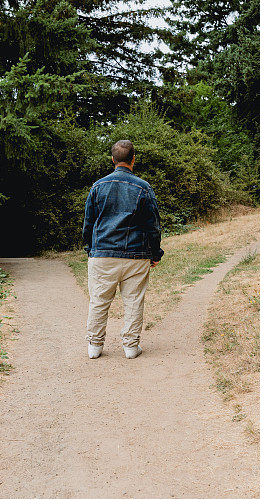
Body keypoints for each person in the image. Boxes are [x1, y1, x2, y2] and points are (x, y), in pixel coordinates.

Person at [82, 139, 164, 359]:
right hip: (136, 256)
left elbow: (88, 223)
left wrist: (90, 249)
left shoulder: (98, 186)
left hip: (102, 255)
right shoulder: (143, 187)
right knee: (134, 301)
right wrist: (155, 254)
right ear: (133, 160)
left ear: (112, 159)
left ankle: (95, 346)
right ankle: (130, 346)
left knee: (99, 301)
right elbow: (153, 225)